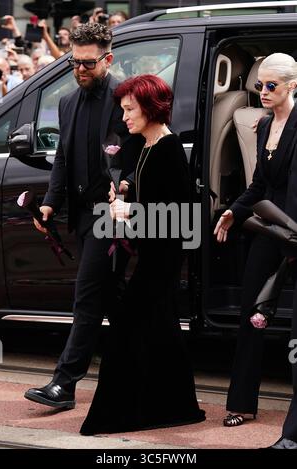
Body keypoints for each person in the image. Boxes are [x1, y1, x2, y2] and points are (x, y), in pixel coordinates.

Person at [24, 22, 142, 410]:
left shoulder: (126, 98)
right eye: (75, 62)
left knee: (87, 296)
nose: (80, 70)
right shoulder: (67, 102)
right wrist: (49, 202)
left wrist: (125, 186)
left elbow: (140, 152)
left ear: (108, 58)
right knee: (114, 301)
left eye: (88, 63)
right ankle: (144, 372)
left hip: (114, 215)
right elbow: (62, 157)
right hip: (81, 213)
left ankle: (64, 384)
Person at [80, 74, 206, 435]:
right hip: (153, 257)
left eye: (130, 109)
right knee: (162, 333)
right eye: (122, 110)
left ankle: (129, 412)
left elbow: (179, 217)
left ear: (151, 107)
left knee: (129, 331)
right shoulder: (148, 145)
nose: (124, 118)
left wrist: (129, 213)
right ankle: (173, 407)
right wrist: (124, 201)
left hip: (162, 260)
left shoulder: (166, 149)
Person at [214, 53, 297, 449]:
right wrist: (233, 210)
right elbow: (260, 184)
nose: (262, 92)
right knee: (251, 310)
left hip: (296, 231)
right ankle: (242, 402)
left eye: (270, 86)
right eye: (259, 85)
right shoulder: (264, 126)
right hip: (270, 228)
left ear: (292, 86)